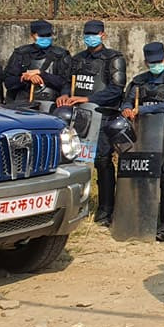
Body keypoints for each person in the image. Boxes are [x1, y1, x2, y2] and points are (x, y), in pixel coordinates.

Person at [58, 20, 128, 226]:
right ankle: (78, 204)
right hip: (79, 117)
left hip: (103, 114)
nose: (90, 37)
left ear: (103, 35)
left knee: (103, 161)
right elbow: (66, 82)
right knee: (77, 161)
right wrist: (64, 95)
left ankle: (106, 210)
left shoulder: (114, 58)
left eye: (94, 34)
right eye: (87, 34)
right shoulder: (77, 59)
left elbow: (117, 88)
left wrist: (89, 99)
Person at [121, 42, 164, 241]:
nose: (155, 65)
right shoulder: (139, 81)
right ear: (146, 62)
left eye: (158, 61)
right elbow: (127, 100)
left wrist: (142, 110)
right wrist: (126, 108)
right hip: (145, 135)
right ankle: (142, 219)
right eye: (152, 62)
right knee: (142, 179)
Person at [3, 19, 70, 106]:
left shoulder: (61, 55)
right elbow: (9, 82)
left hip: (51, 103)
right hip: (23, 103)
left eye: (48, 35)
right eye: (42, 35)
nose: (45, 38)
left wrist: (42, 74)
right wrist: (26, 78)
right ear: (33, 35)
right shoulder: (21, 53)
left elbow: (65, 82)